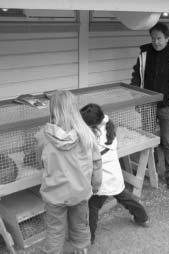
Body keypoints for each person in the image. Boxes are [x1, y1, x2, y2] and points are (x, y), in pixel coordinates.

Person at [35, 90, 102, 254]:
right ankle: (81, 250)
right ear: (75, 110)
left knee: (55, 230)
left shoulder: (42, 136)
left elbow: (40, 163)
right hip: (80, 193)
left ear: (53, 110)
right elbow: (97, 166)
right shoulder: (87, 135)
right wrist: (95, 186)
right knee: (80, 225)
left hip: (54, 194)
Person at [130, 22, 169, 189]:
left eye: (159, 38)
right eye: (153, 38)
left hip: (166, 105)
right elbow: (136, 75)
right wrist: (136, 96)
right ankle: (152, 168)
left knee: (167, 139)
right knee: (148, 138)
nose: (156, 41)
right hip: (147, 103)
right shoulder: (145, 52)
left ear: (167, 38)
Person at [80, 103, 150, 245]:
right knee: (126, 198)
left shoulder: (93, 138)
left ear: (92, 126)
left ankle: (89, 237)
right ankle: (143, 218)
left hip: (101, 180)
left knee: (92, 207)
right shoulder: (108, 125)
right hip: (114, 175)